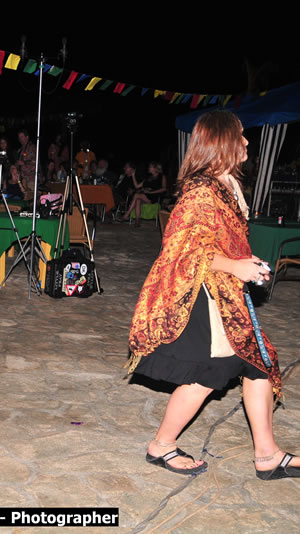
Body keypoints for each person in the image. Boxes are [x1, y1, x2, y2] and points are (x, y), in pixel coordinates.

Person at [127, 110, 297, 480]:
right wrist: (235, 267)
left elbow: (220, 239)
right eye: (241, 136)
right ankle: (162, 445)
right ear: (223, 142)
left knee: (258, 363)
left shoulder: (225, 183)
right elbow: (180, 248)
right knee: (212, 372)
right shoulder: (202, 191)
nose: (247, 142)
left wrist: (243, 261)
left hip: (226, 290)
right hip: (204, 293)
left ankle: (267, 454)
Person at [122, 161, 168, 226]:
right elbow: (137, 186)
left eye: (150, 167)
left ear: (155, 168)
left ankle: (127, 215)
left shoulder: (162, 176)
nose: (148, 168)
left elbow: (164, 188)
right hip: (146, 196)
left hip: (155, 196)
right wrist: (133, 175)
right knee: (138, 200)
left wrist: (151, 192)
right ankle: (137, 221)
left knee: (137, 195)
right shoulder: (148, 177)